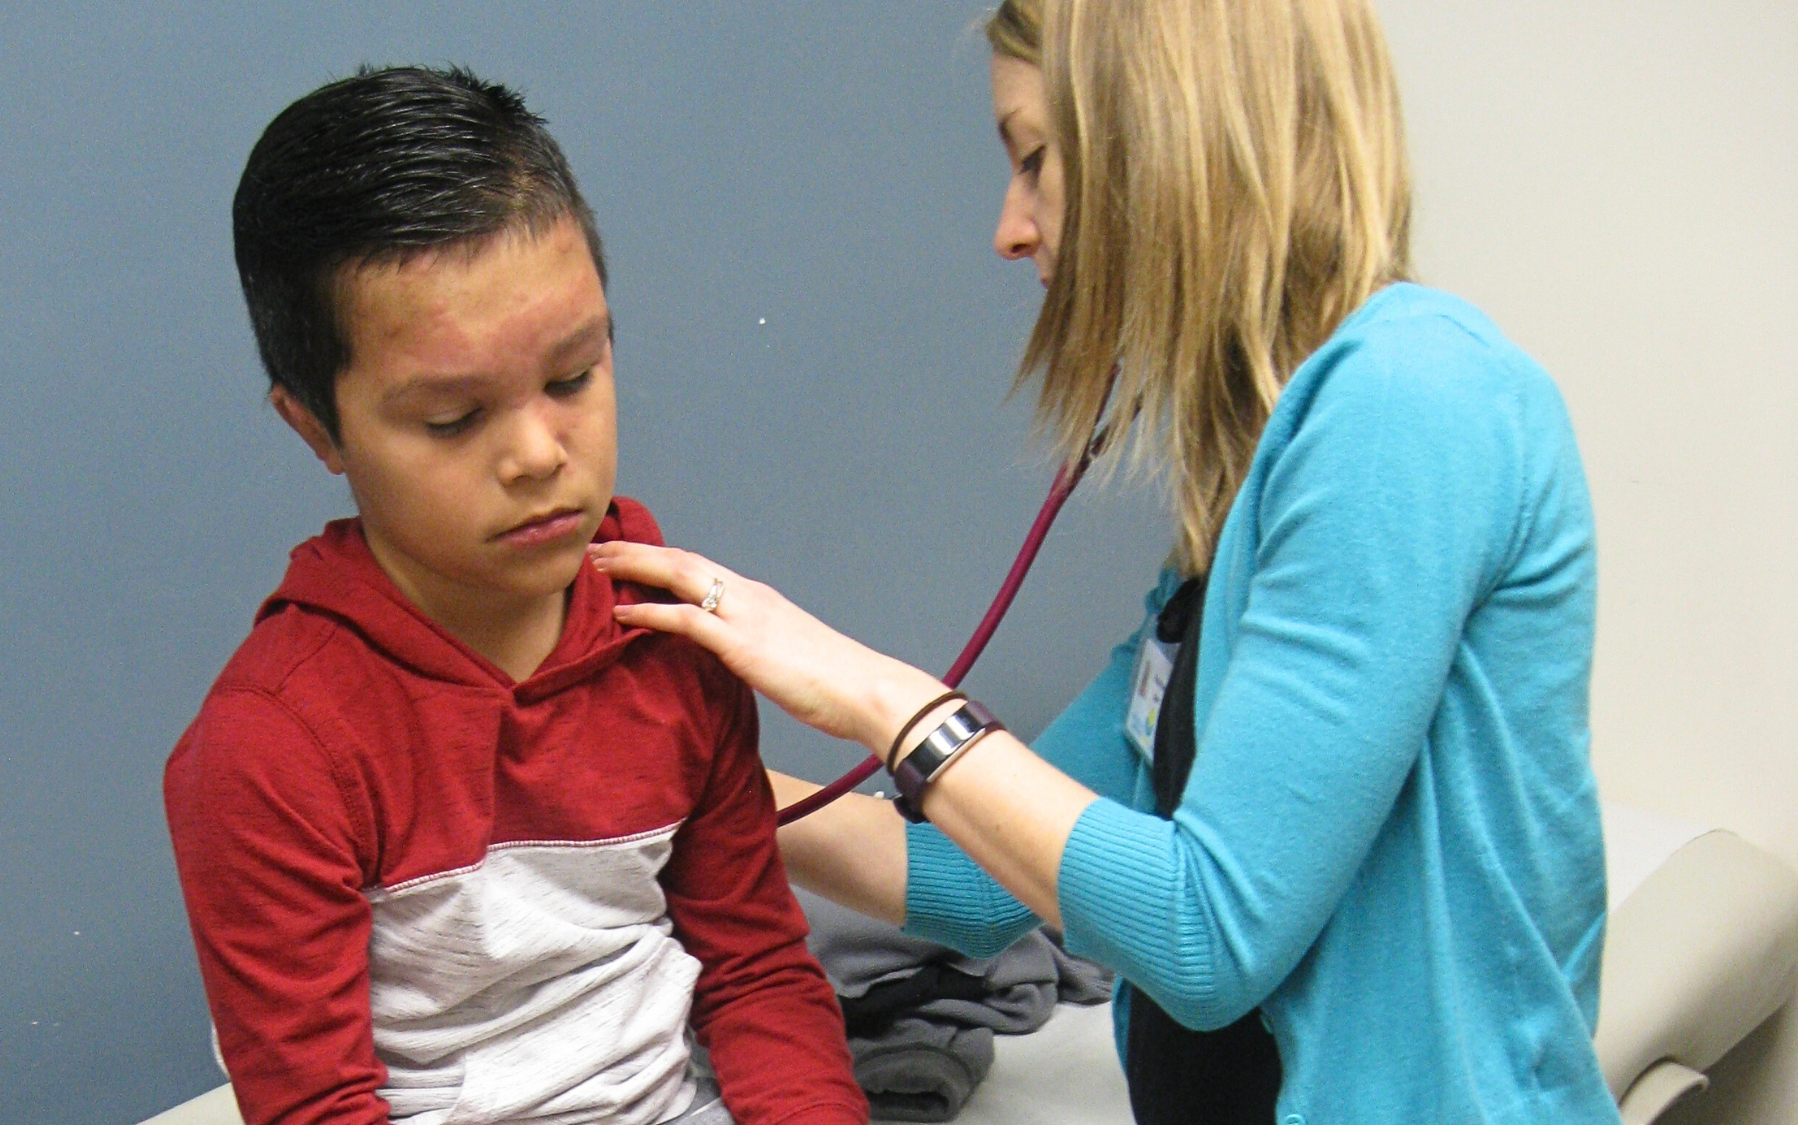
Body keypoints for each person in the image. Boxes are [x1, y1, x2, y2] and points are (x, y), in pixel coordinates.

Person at [588, 1, 1621, 1122]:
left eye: (1035, 160)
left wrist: (874, 696)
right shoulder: (1245, 503)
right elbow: (979, 884)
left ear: (1165, 137)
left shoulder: (1409, 399)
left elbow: (1205, 935)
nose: (1008, 228)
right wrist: (675, 781)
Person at [162, 66, 866, 1125]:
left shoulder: (667, 637)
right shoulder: (268, 754)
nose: (539, 454)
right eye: (452, 419)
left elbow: (757, 973)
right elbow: (314, 1108)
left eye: (574, 377)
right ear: (316, 428)